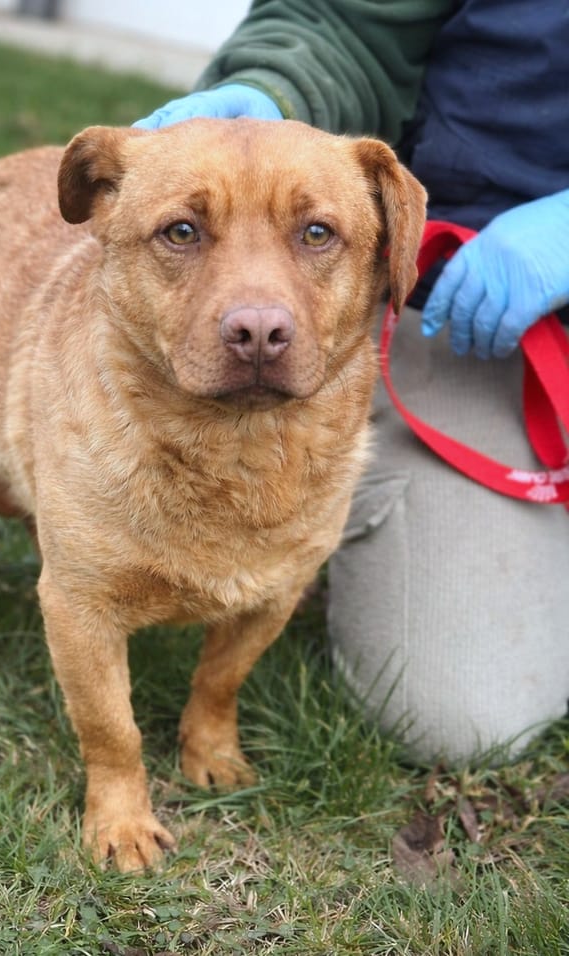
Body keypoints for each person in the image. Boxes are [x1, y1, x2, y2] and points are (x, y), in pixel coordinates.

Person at [135, 0, 569, 765]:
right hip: (473, 307)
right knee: (461, 713)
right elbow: (344, 19)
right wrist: (272, 89)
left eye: (314, 233)